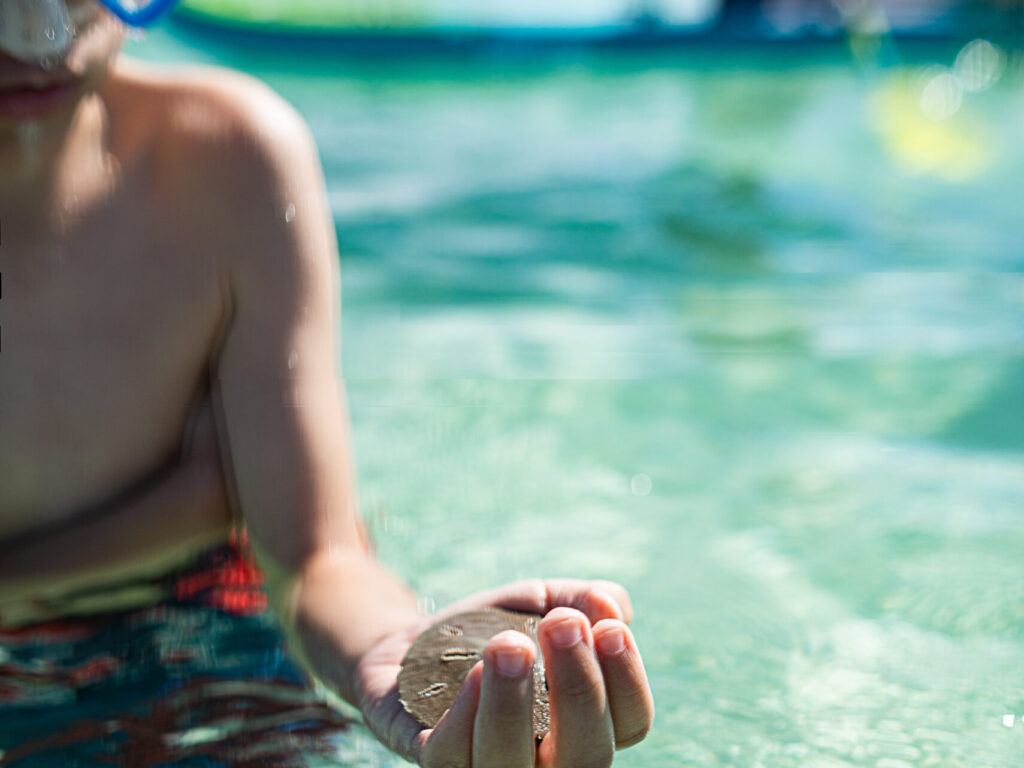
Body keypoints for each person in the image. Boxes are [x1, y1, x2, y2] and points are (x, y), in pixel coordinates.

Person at [0, 1, 655, 765]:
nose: (36, 32)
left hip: (202, 617)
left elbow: (313, 553)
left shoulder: (225, 158)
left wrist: (388, 647)